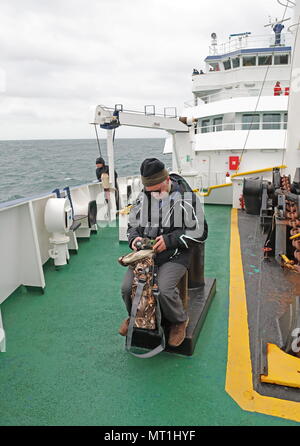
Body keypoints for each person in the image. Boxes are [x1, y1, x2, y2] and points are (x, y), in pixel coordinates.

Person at [119, 158, 208, 347]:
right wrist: (134, 239)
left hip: (176, 254)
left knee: (164, 289)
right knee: (127, 288)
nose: (155, 196)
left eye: (159, 191)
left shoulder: (186, 198)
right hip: (145, 256)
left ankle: (179, 321)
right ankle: (133, 316)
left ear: (167, 180)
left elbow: (201, 231)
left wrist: (168, 241)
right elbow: (132, 226)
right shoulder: (144, 197)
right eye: (151, 192)